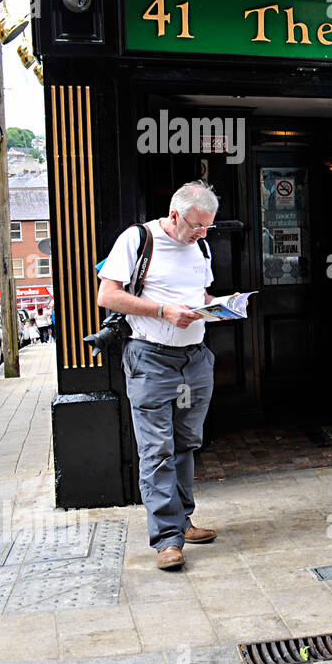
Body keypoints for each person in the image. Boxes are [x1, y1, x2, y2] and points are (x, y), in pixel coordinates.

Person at [96, 180, 220, 571]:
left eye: (207, 228)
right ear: (173, 215)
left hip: (194, 360)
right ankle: (167, 539)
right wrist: (163, 311)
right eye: (196, 226)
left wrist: (222, 306)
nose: (202, 234)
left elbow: (200, 296)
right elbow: (108, 295)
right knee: (157, 449)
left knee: (185, 444)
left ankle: (183, 522)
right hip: (151, 359)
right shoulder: (138, 239)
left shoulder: (200, 245)